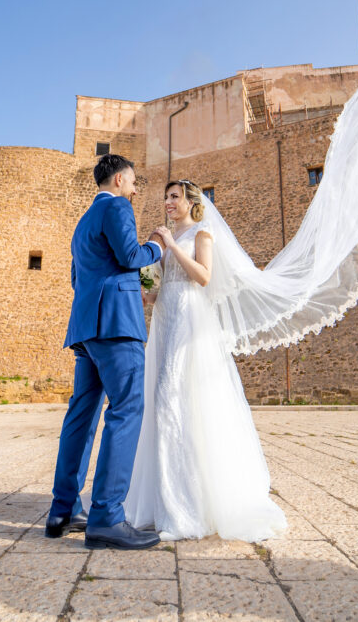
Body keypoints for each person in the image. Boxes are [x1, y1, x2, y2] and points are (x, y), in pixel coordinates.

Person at [125, 179, 287, 541]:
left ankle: (186, 506)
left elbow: (203, 276)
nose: (167, 202)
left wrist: (171, 245)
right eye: (165, 197)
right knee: (159, 399)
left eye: (174, 197)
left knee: (176, 399)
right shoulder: (161, 237)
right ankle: (158, 500)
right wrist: (148, 267)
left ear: (190, 202)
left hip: (189, 318)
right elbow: (150, 296)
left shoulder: (202, 232)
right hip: (164, 317)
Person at [46, 153, 168, 550]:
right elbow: (130, 257)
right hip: (117, 325)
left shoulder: (82, 223)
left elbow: (75, 278)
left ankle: (62, 510)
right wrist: (156, 247)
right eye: (133, 182)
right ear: (118, 180)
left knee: (81, 416)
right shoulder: (118, 207)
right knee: (126, 410)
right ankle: (107, 518)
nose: (135, 189)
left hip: (85, 330)